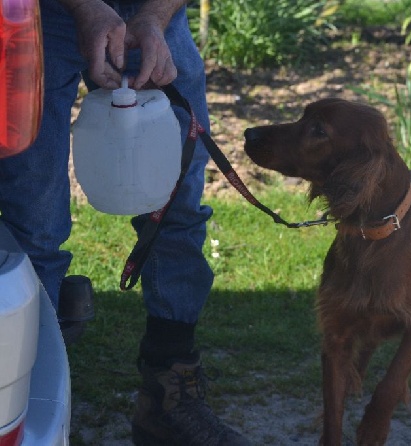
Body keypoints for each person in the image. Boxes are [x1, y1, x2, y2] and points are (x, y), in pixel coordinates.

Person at [0, 0, 250, 444]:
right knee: (32, 219)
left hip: (154, 11)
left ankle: (168, 399)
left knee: (175, 205)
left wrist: (155, 17)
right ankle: (24, 402)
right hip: (41, 9)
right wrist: (86, 9)